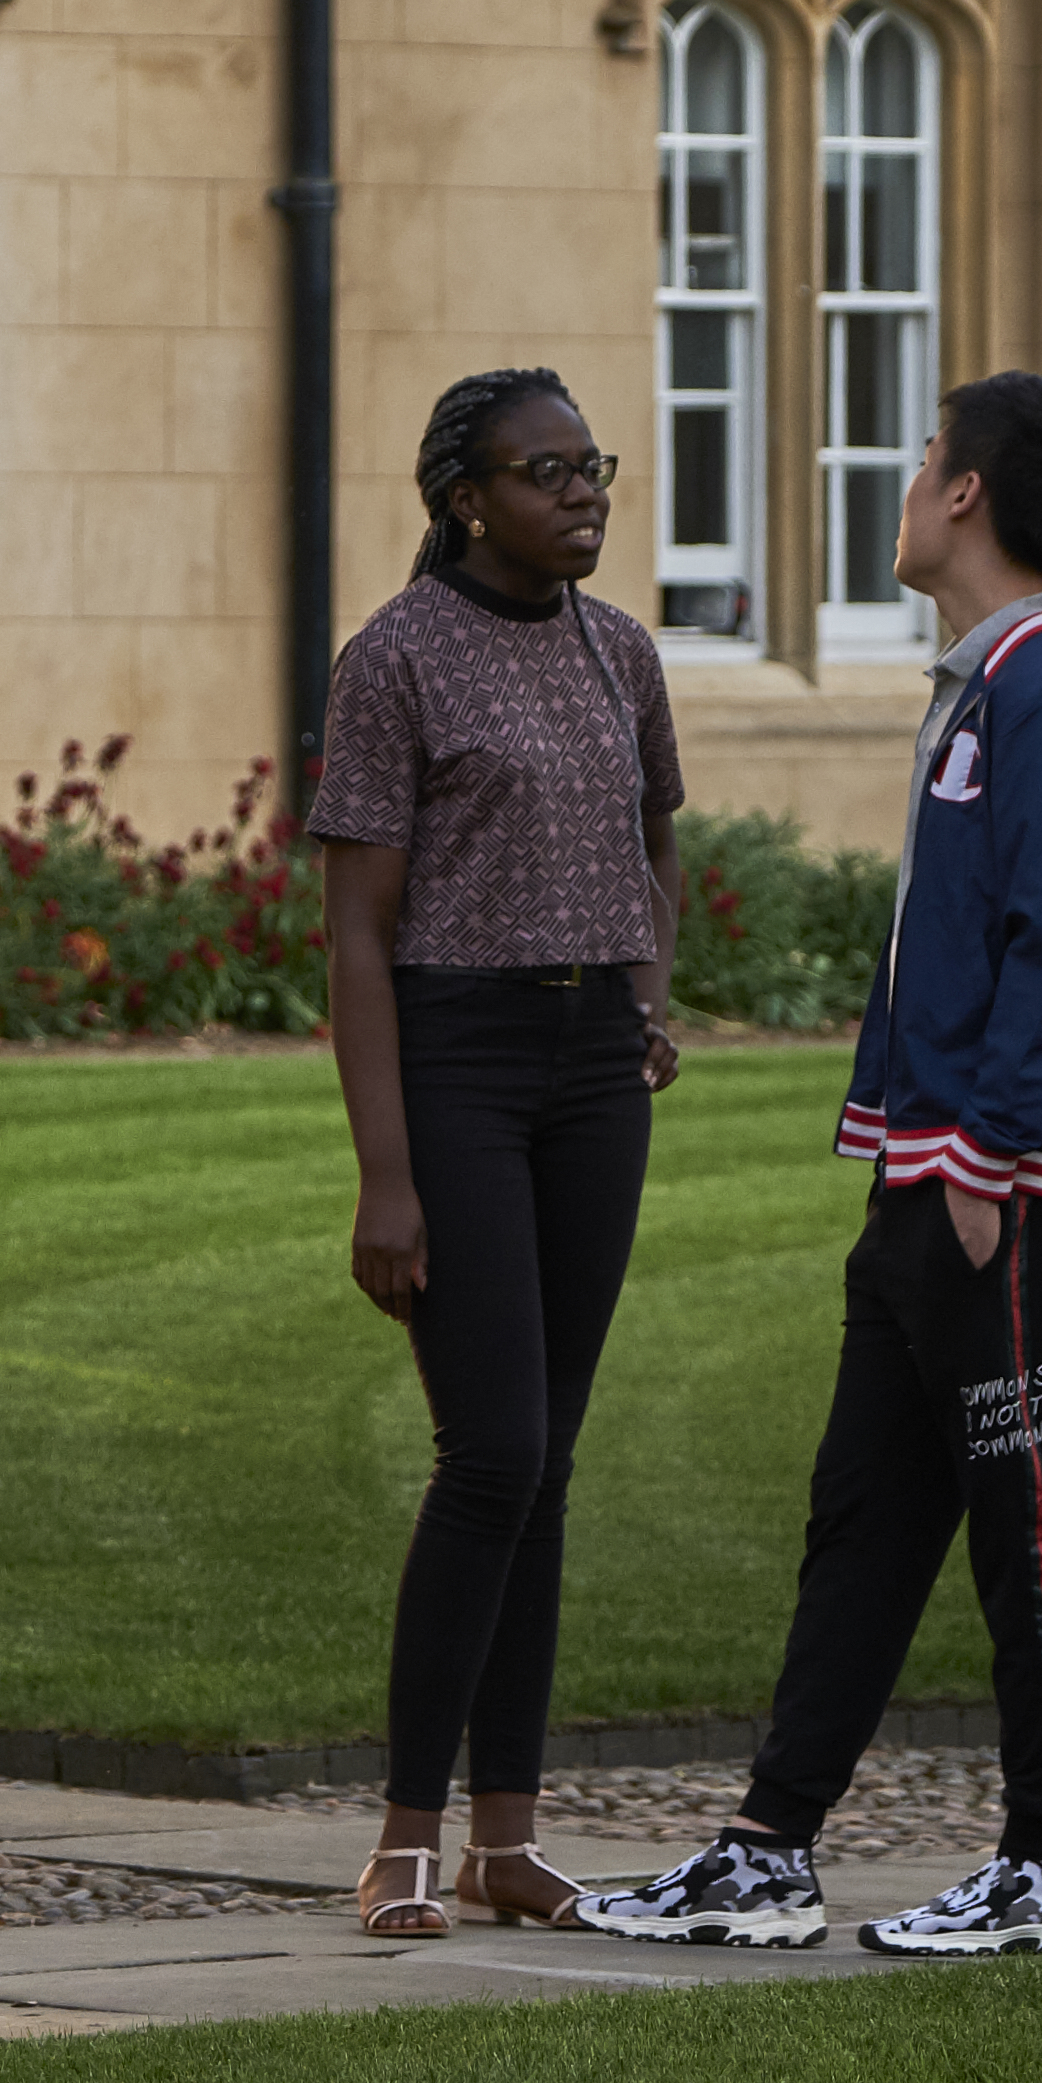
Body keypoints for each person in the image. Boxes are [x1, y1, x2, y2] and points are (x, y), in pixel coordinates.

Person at [584, 368, 1042, 1962]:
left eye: (921, 458)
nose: (906, 481)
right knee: (866, 1512)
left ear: (965, 492)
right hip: (927, 1172)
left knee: (1024, 1507)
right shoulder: (985, 680)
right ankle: (772, 1844)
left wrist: (986, 1152)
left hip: (1006, 1185)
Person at [305, 369, 683, 1939]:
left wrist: (650, 994)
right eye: (545, 470)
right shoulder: (394, 658)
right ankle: (402, 1836)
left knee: (551, 1460)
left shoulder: (620, 653)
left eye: (590, 464)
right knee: (494, 1452)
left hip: (594, 1072)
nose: (581, 492)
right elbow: (355, 930)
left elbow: (660, 831)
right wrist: (384, 1175)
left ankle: (507, 1841)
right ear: (466, 495)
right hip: (456, 1063)